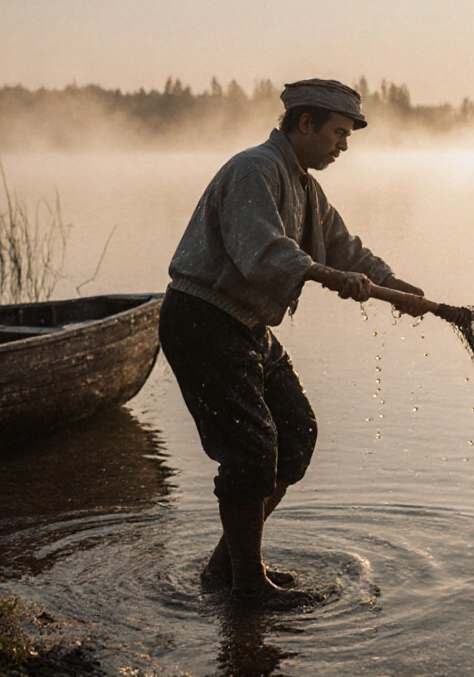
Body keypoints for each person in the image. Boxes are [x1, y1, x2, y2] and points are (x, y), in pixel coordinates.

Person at [159, 78, 425, 610]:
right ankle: (247, 585)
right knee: (252, 453)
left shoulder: (304, 185)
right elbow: (264, 250)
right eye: (338, 134)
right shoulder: (254, 170)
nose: (343, 146)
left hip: (247, 327)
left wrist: (395, 288)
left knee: (296, 435)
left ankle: (228, 567)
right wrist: (329, 277)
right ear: (304, 124)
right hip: (204, 321)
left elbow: (346, 247)